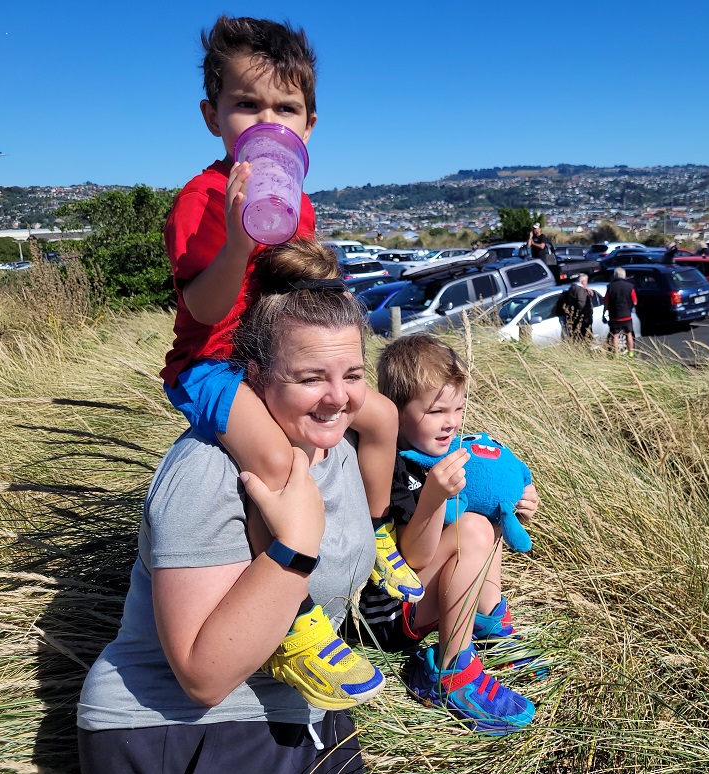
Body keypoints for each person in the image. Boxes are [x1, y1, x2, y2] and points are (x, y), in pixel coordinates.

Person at [158, 15, 420, 711]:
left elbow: (294, 299)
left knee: (384, 415)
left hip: (272, 359)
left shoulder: (297, 202)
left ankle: (376, 533)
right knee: (276, 464)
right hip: (212, 367)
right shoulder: (202, 200)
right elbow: (207, 313)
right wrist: (241, 243)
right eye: (248, 104)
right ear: (213, 115)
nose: (266, 119)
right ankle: (296, 620)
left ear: (307, 127)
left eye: (285, 108)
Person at [76, 249, 379, 772]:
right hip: (177, 731)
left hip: (305, 716)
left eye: (352, 374)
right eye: (310, 378)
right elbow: (204, 677)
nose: (337, 398)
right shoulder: (209, 468)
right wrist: (294, 550)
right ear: (256, 376)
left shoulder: (339, 452)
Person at [359, 333, 542, 735]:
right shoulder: (392, 465)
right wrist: (434, 498)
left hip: (421, 596)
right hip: (390, 614)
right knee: (472, 527)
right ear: (396, 412)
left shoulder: (446, 450)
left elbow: (490, 511)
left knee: (485, 517)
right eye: (436, 410)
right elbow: (414, 560)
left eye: (458, 408)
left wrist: (517, 503)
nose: (452, 422)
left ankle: (488, 624)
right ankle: (447, 671)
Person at [603, 267, 637, 357]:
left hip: (614, 315)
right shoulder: (630, 287)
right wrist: (629, 307)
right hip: (627, 315)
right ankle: (631, 352)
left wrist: (605, 312)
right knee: (628, 334)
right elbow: (635, 302)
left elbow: (606, 302)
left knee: (615, 335)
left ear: (615, 275)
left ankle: (616, 354)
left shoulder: (610, 287)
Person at [557, 273, 595, 342]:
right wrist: (586, 316)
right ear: (583, 281)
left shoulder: (572, 288)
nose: (587, 283)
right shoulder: (580, 290)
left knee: (577, 338)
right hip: (583, 319)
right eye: (586, 281)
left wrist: (585, 288)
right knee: (586, 338)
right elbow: (582, 304)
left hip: (575, 318)